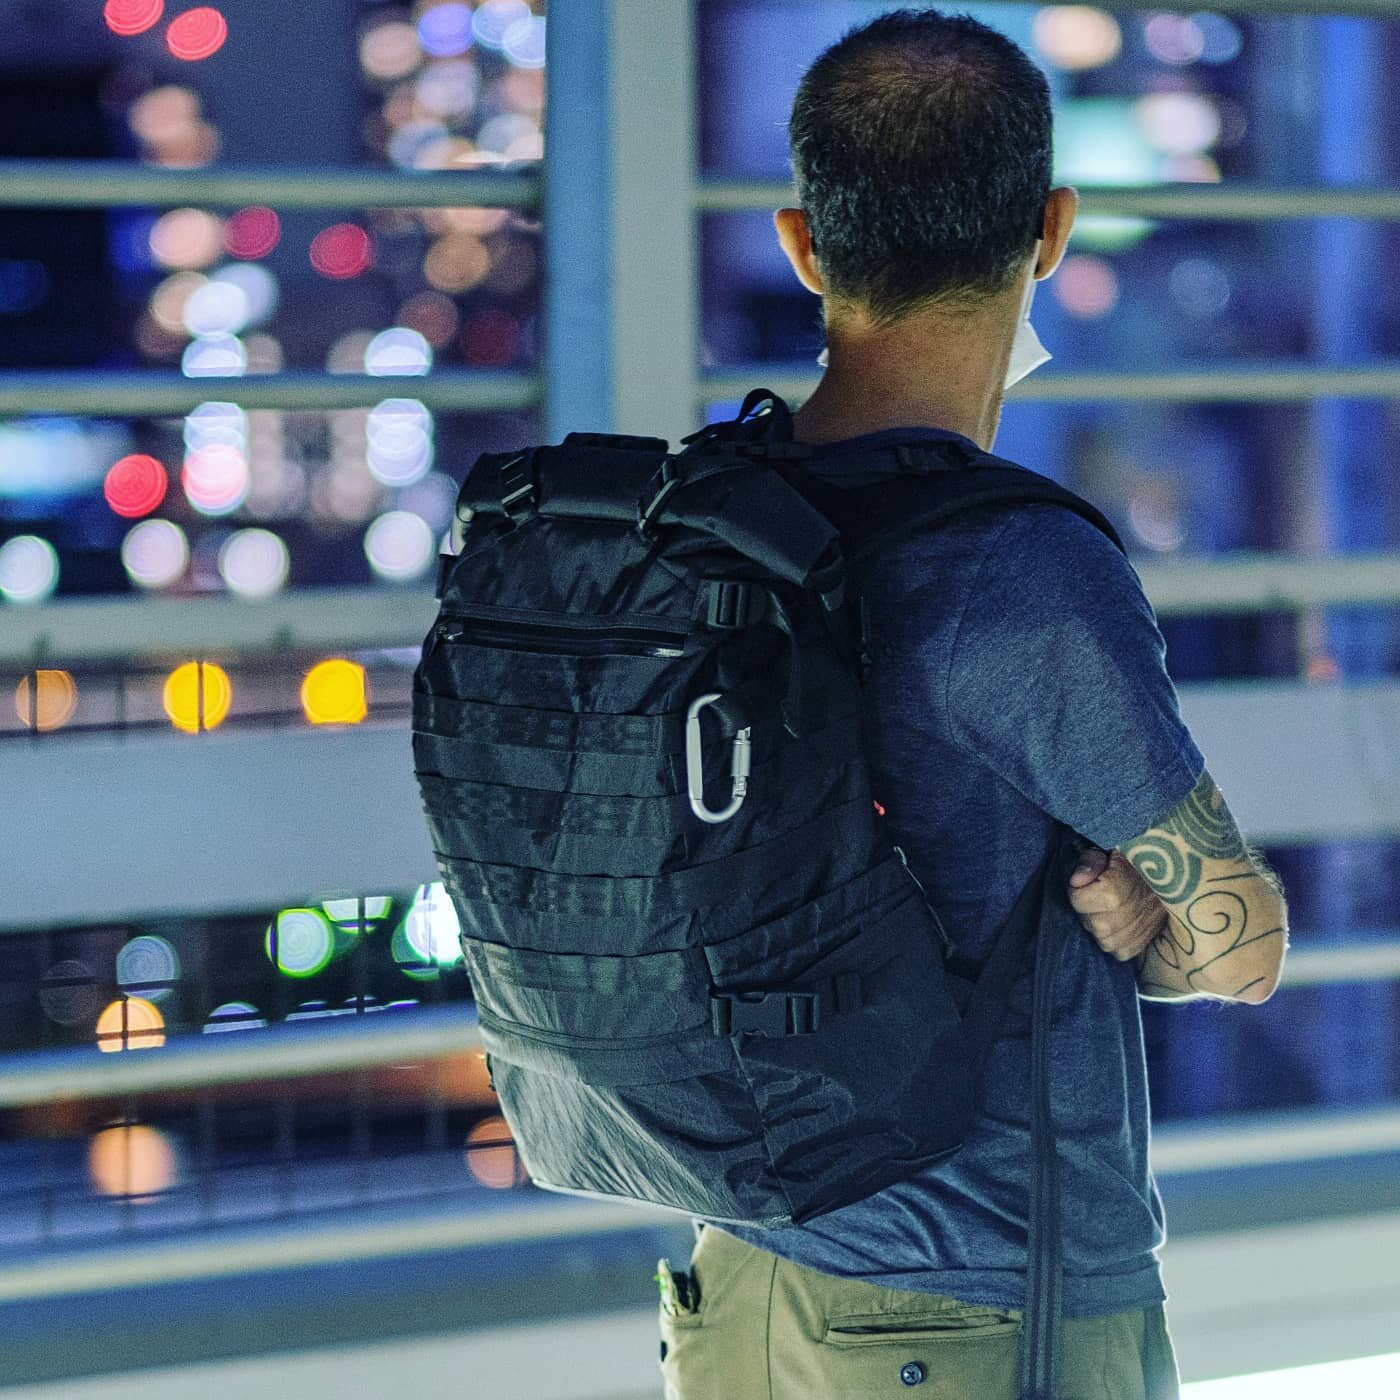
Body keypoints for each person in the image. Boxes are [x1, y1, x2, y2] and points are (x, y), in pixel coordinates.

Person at [656, 10, 1288, 1399]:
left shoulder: (701, 523)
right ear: (1051, 232)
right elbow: (1238, 946)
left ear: (804, 244)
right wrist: (1144, 924)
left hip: (734, 1290)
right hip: (976, 1310)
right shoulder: (1021, 568)